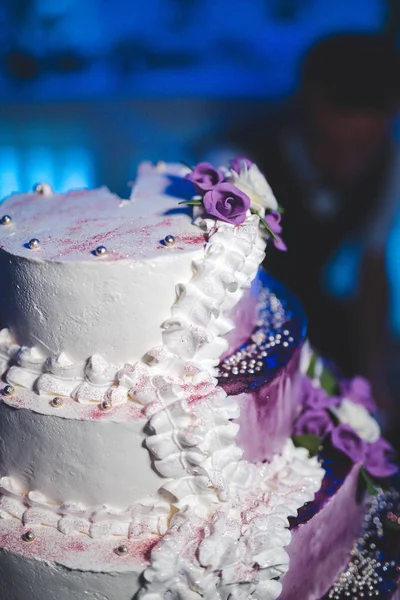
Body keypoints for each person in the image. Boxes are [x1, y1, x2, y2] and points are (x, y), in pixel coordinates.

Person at [222, 33, 400, 416]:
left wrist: (376, 374)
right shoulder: (236, 161)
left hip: (320, 312)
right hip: (238, 322)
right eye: (337, 147)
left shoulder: (390, 160)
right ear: (308, 107)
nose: (351, 165)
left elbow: (372, 263)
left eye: (362, 148)